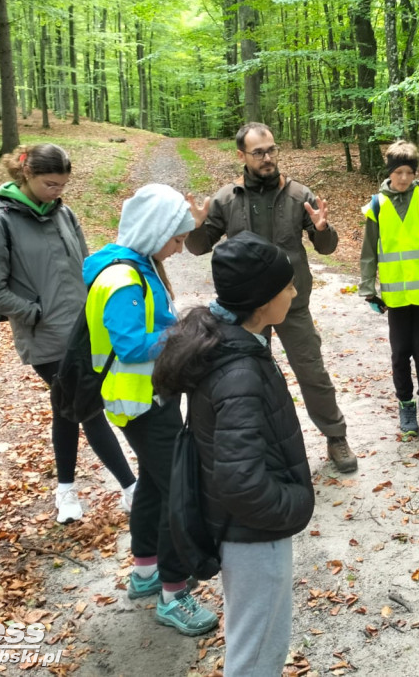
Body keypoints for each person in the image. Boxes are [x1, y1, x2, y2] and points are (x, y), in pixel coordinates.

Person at [154, 232, 315, 677]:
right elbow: (241, 482)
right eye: (286, 286)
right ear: (262, 301)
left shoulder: (234, 341)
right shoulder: (240, 370)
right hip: (252, 536)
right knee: (257, 654)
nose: (294, 291)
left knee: (253, 642)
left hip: (244, 529)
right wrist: (294, 505)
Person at [83, 183, 219, 636]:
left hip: (146, 397)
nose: (180, 248)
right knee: (178, 491)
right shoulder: (123, 278)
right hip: (141, 402)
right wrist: (185, 336)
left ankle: (145, 572)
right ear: (154, 230)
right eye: (176, 239)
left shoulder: (136, 264)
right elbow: (130, 344)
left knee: (156, 487)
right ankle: (174, 593)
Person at [0, 143, 136, 525]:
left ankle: (65, 491)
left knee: (67, 410)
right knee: (88, 406)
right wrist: (35, 312)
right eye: (51, 184)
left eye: (63, 184)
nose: (58, 191)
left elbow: (85, 265)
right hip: (44, 338)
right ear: (26, 175)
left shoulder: (64, 213)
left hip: (82, 330)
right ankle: (132, 488)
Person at [185, 122, 358, 474]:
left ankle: (335, 435)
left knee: (312, 372)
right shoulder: (225, 199)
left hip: (291, 305)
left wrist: (324, 229)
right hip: (247, 311)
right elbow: (199, 248)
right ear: (242, 156)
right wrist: (197, 226)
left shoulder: (299, 195)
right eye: (259, 152)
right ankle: (258, 444)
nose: (267, 158)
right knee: (248, 377)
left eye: (271, 150)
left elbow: (327, 248)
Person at [358, 141, 419, 438]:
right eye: (398, 172)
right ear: (389, 173)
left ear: (415, 173)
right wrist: (368, 289)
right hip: (396, 296)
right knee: (400, 352)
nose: (403, 178)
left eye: (408, 172)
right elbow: (369, 251)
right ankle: (405, 406)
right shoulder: (377, 205)